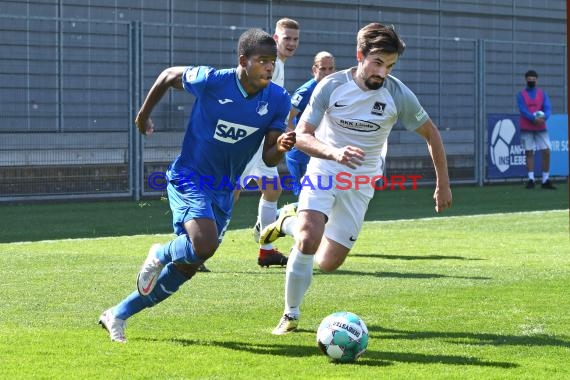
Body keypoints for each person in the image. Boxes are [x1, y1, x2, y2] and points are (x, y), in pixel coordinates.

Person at [98, 28, 296, 343]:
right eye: (262, 61)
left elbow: (270, 160)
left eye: (273, 62)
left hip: (224, 188)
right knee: (203, 244)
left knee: (191, 263)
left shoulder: (278, 99)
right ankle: (160, 253)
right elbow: (166, 76)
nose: (270, 68)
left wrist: (283, 146)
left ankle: (117, 314)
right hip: (190, 176)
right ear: (243, 60)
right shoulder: (212, 80)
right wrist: (142, 116)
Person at [259, 23, 453, 335]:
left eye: (390, 66)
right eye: (377, 63)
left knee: (328, 262)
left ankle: (286, 222)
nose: (383, 73)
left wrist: (443, 183)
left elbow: (431, 135)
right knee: (309, 239)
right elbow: (302, 137)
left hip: (361, 183)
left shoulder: (397, 94)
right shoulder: (331, 86)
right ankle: (290, 314)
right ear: (359, 56)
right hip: (324, 169)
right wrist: (334, 154)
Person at [233, 17, 300, 269]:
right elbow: (259, 100)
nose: (291, 43)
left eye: (295, 39)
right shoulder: (271, 65)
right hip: (252, 141)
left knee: (272, 189)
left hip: (264, 142)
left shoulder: (277, 64)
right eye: (287, 38)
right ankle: (196, 246)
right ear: (275, 39)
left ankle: (266, 250)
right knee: (230, 193)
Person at [285, 51, 336, 197]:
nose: (327, 73)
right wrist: (298, 139)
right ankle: (279, 216)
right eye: (323, 69)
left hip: (319, 151)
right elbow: (285, 118)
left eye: (330, 69)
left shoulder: (334, 88)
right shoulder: (306, 91)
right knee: (305, 196)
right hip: (301, 154)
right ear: (314, 69)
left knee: (322, 196)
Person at [516, 70, 555, 189]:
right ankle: (531, 179)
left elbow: (548, 108)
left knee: (547, 151)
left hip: (541, 127)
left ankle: (545, 180)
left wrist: (544, 117)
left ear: (536, 80)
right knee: (529, 152)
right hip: (527, 126)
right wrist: (533, 118)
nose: (531, 81)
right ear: (526, 80)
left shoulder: (542, 94)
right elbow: (522, 110)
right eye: (529, 79)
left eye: (533, 79)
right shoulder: (520, 94)